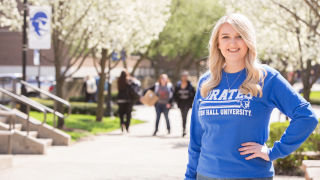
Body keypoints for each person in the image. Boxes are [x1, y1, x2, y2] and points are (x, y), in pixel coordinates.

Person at [185, 13, 318, 180]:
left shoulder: (266, 78)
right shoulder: (206, 81)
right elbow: (196, 138)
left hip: (250, 175)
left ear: (248, 41)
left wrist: (274, 152)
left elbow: (307, 116)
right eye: (225, 37)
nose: (232, 43)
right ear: (217, 43)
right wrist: (190, 176)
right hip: (206, 174)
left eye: (239, 36)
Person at [174, 71, 195, 137]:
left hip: (187, 103)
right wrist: (176, 101)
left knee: (185, 116)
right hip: (181, 103)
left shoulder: (190, 85)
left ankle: (184, 130)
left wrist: (192, 102)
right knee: (183, 116)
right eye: (183, 76)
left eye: (186, 76)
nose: (184, 77)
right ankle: (184, 129)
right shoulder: (178, 84)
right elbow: (175, 94)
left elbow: (194, 94)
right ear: (181, 77)